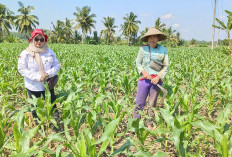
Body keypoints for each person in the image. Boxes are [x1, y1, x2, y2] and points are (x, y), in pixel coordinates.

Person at [18, 29, 60, 125]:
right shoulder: (26, 53)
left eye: (41, 39)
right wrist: (38, 77)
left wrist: (48, 73)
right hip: (33, 85)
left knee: (52, 105)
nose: (39, 42)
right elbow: (22, 69)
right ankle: (39, 126)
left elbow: (57, 65)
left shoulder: (49, 52)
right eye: (37, 39)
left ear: (44, 40)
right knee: (35, 106)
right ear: (33, 39)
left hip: (48, 84)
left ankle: (55, 125)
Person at [134, 27, 169, 130]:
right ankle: (135, 123)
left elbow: (166, 66)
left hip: (156, 81)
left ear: (158, 38)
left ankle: (149, 123)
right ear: (147, 38)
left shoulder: (163, 50)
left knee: (152, 103)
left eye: (154, 37)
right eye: (150, 37)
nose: (152, 39)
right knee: (139, 102)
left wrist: (159, 77)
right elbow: (138, 63)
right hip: (144, 80)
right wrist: (144, 72)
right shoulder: (143, 49)